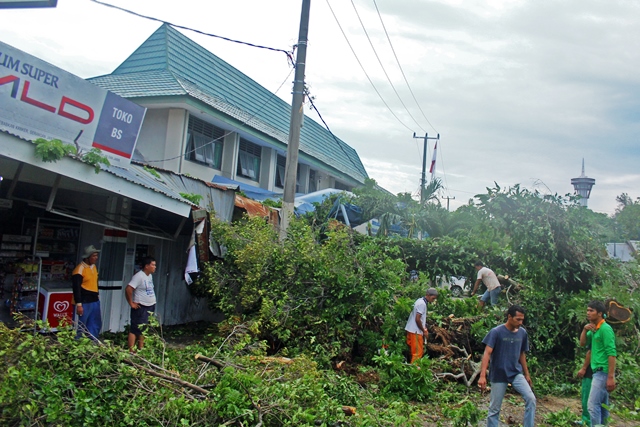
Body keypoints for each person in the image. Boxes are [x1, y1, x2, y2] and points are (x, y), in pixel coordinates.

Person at [478, 305, 536, 427]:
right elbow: (487, 353)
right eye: (518, 319)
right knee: (494, 409)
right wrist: (482, 375)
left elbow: (522, 354)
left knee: (531, 399)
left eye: (522, 320)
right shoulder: (496, 332)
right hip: (499, 375)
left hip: (515, 373)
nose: (521, 322)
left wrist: (527, 374)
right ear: (509, 317)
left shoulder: (522, 333)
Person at [580, 300, 616, 426]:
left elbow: (611, 353)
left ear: (600, 313)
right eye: (587, 310)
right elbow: (583, 343)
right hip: (597, 371)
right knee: (603, 406)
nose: (588, 313)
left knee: (592, 405)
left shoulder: (605, 329)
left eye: (591, 311)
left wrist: (610, 377)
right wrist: (584, 330)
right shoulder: (595, 329)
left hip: (602, 371)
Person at [125, 257, 157, 352]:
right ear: (147, 266)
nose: (155, 267)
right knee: (135, 328)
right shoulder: (139, 276)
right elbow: (128, 289)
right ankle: (131, 351)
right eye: (153, 265)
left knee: (144, 328)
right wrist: (131, 303)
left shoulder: (149, 276)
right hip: (140, 306)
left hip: (149, 305)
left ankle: (140, 348)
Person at [72, 245, 102, 340]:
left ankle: (93, 342)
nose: (96, 258)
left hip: (94, 300)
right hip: (84, 302)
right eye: (94, 256)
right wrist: (79, 304)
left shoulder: (93, 267)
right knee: (81, 325)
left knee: (95, 324)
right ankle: (77, 343)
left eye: (96, 255)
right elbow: (76, 288)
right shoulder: (79, 269)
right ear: (87, 257)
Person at [404, 288, 438, 364]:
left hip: (411, 329)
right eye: (433, 298)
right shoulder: (422, 304)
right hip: (416, 331)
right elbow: (417, 319)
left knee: (414, 351)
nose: (433, 300)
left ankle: (411, 368)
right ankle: (414, 372)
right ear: (428, 295)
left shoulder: (419, 301)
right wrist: (423, 330)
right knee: (417, 353)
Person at [576, 348, 592, 425]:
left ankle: (587, 421)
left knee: (587, 397)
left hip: (591, 372)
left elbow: (590, 352)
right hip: (596, 371)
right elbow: (582, 343)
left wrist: (584, 368)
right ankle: (586, 420)